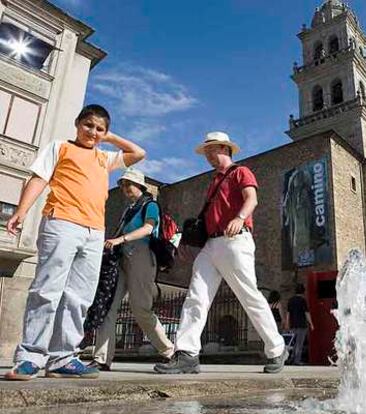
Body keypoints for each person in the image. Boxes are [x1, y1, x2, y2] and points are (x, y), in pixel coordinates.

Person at [4, 104, 145, 380]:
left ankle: (62, 358)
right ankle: (31, 357)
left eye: (99, 128)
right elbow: (38, 179)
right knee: (47, 290)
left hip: (94, 232)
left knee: (79, 296)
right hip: (61, 223)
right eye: (88, 125)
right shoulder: (60, 147)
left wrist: (110, 138)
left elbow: (138, 153)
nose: (92, 132)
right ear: (77, 123)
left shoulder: (104, 159)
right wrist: (21, 210)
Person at [154, 131, 288, 374]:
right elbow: (207, 218)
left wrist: (239, 217)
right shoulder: (213, 181)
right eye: (205, 152)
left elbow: (252, 199)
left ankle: (277, 348)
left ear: (224, 149)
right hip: (211, 245)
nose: (207, 155)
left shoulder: (240, 172)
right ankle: (187, 353)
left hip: (235, 240)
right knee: (196, 295)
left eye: (210, 150)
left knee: (248, 295)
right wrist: (187, 241)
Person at [88, 167, 174, 371]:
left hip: (141, 255)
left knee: (140, 308)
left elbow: (148, 228)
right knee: (108, 306)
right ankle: (101, 359)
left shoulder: (150, 204)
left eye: (129, 184)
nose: (125, 188)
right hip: (121, 258)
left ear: (140, 186)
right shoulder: (128, 209)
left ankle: (169, 351)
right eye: (123, 184)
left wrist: (121, 239)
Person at [287, 283, 314, 365]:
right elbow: (307, 313)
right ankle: (297, 360)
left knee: (293, 343)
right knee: (300, 343)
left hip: (293, 324)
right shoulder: (303, 300)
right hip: (302, 324)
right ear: (303, 291)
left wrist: (287, 323)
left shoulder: (290, 300)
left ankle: (291, 358)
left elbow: (288, 313)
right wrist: (311, 323)